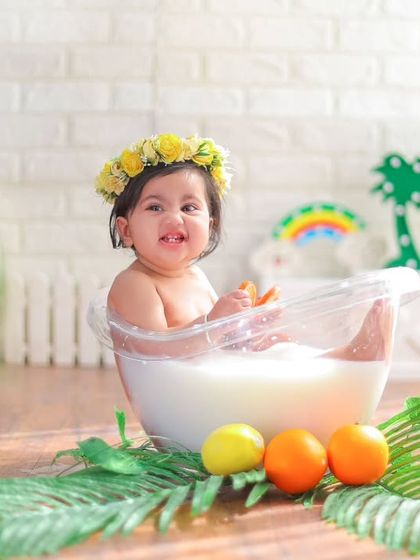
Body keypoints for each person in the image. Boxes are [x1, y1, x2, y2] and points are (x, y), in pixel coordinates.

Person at [96, 133, 390, 360]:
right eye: (156, 207)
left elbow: (217, 344)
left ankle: (345, 356)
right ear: (126, 230)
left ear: (210, 224)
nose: (175, 217)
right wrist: (213, 321)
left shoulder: (194, 276)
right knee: (276, 366)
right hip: (178, 399)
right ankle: (349, 359)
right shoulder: (136, 283)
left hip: (204, 381)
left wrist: (246, 329)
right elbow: (156, 352)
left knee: (281, 346)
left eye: (189, 207)